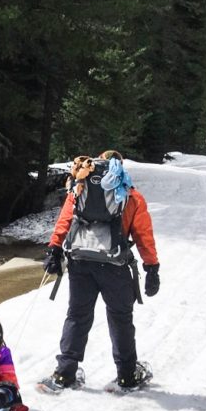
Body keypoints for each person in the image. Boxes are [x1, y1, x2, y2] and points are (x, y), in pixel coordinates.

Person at [42, 150, 159, 391]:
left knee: (77, 315)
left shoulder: (80, 189)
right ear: (120, 167)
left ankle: (64, 375)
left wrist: (54, 248)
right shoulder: (130, 196)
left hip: (80, 262)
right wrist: (151, 267)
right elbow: (143, 235)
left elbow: (65, 220)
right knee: (120, 319)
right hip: (115, 266)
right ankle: (127, 376)